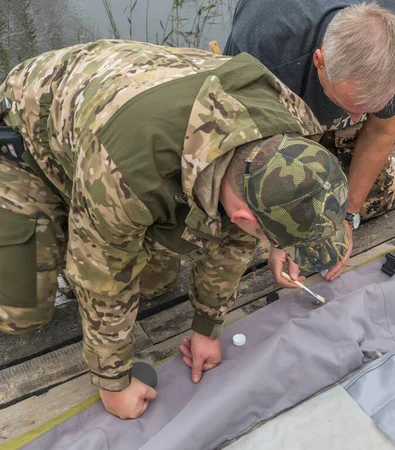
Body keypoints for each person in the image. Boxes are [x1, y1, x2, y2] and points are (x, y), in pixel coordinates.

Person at [0, 40, 349, 419]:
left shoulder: (291, 123)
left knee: (156, 282)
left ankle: (86, 216)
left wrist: (207, 327)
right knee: (21, 315)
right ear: (246, 219)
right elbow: (100, 275)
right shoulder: (129, 172)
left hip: (113, 118)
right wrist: (112, 381)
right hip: (29, 138)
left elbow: (235, 239)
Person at [225, 0, 395, 282]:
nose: (358, 120)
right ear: (319, 61)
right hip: (272, 113)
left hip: (322, 94)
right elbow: (241, 145)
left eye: (368, 109)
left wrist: (347, 217)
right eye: (351, 106)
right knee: (242, 221)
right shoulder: (263, 46)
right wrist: (283, 235)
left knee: (376, 198)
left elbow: (380, 130)